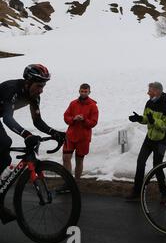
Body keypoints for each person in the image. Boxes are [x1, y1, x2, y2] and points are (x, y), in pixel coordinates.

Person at [0, 64, 66, 221]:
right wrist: (27, 135)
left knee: (5, 157)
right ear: (28, 82)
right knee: (4, 143)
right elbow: (7, 118)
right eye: (39, 85)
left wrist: (54, 133)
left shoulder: (34, 96)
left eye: (43, 86)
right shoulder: (12, 89)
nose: (41, 90)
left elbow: (37, 121)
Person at [127, 82, 166, 201]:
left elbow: (165, 126)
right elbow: (147, 119)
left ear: (157, 91)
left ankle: (164, 193)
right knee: (140, 162)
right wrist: (139, 119)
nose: (148, 93)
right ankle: (137, 192)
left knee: (157, 166)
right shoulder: (149, 103)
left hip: (162, 140)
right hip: (149, 138)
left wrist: (153, 121)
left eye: (150, 91)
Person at [63, 83, 99, 180]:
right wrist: (73, 119)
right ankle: (68, 182)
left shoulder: (93, 106)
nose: (83, 93)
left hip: (83, 138)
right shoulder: (73, 103)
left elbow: (94, 122)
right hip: (70, 136)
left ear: (89, 92)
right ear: (79, 91)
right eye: (82, 91)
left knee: (79, 161)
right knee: (66, 158)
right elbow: (66, 117)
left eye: (85, 91)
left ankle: (76, 182)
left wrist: (84, 120)